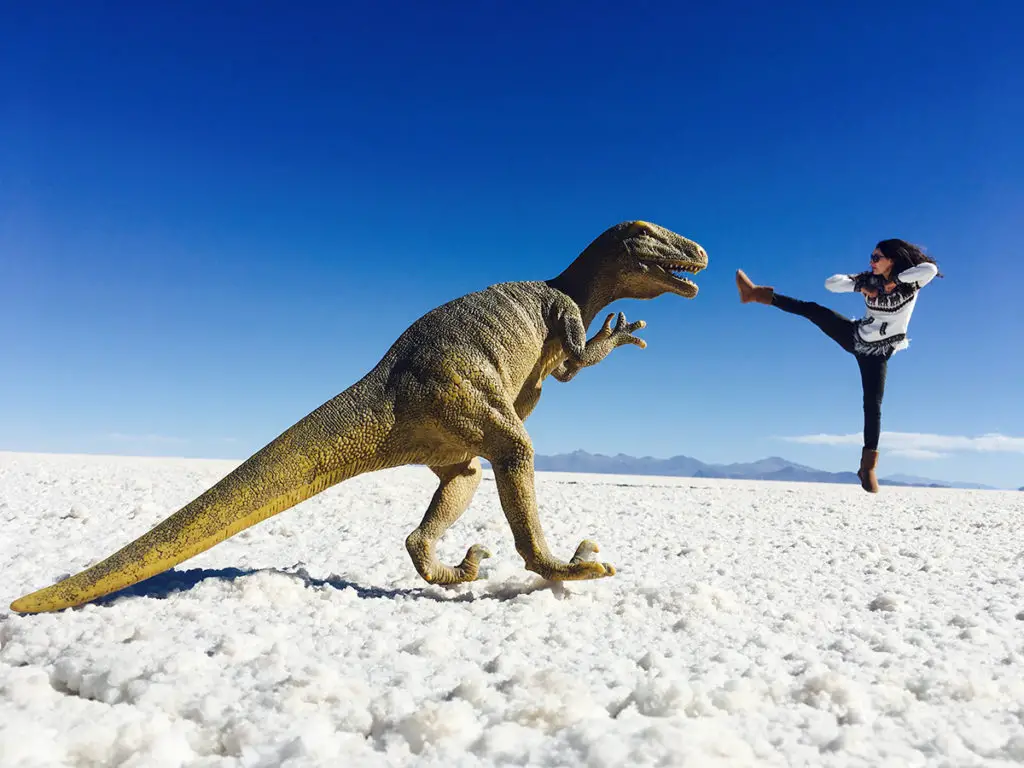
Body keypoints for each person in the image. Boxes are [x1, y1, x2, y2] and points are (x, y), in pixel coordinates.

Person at [734, 240, 940, 493]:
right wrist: (862, 286)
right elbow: (831, 283)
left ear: (892, 259)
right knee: (813, 310)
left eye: (877, 257)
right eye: (871, 257)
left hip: (878, 353)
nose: (872, 262)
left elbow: (928, 269)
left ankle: (868, 467)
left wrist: (895, 281)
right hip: (855, 336)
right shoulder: (869, 279)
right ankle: (754, 293)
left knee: (872, 405)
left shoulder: (911, 282)